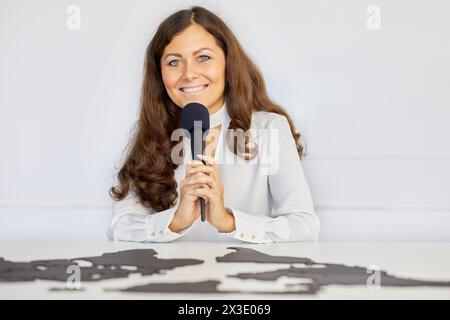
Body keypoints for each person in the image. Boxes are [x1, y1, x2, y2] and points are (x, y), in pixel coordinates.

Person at [108, 6, 320, 243]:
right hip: (171, 276)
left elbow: (305, 226)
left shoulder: (269, 128)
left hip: (247, 276)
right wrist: (176, 221)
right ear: (160, 73)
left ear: (228, 63)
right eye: (174, 62)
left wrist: (228, 221)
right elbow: (121, 227)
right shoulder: (148, 132)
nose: (189, 74)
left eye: (203, 58)